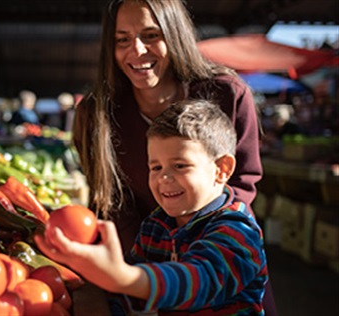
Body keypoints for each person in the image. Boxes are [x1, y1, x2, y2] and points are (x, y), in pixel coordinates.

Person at [71, 0, 276, 314]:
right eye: (122, 39)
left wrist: (129, 278)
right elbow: (112, 202)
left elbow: (201, 276)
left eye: (151, 35)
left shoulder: (228, 94)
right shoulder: (155, 229)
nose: (136, 50)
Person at [36, 100, 268, 315]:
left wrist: (124, 277)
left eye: (180, 165)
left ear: (222, 169)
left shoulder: (238, 231)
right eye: (155, 167)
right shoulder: (156, 225)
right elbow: (129, 298)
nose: (164, 178)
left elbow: (198, 281)